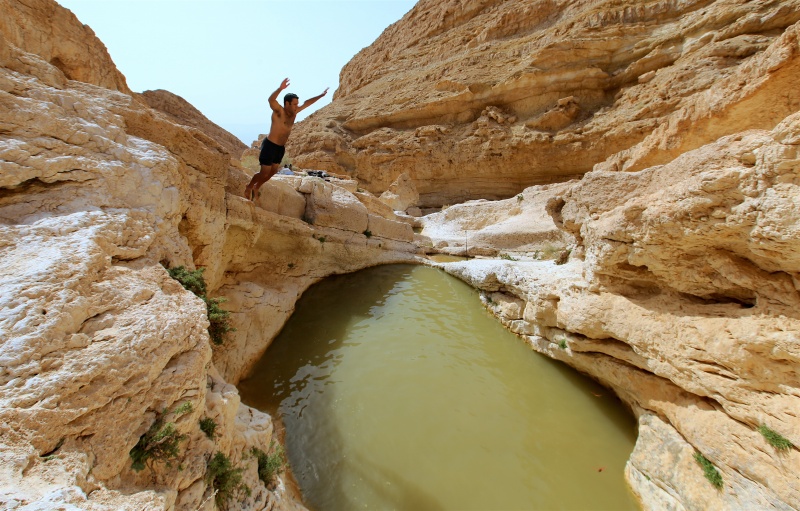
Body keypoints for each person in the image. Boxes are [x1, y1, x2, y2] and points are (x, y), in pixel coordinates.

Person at [245, 78, 328, 200]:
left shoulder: (294, 113)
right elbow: (271, 100)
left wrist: (321, 95)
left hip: (280, 148)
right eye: (294, 104)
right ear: (287, 104)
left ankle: (257, 186)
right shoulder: (279, 112)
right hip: (269, 145)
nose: (297, 106)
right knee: (264, 172)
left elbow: (307, 103)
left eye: (297, 104)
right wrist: (280, 89)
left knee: (273, 172)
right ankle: (249, 186)